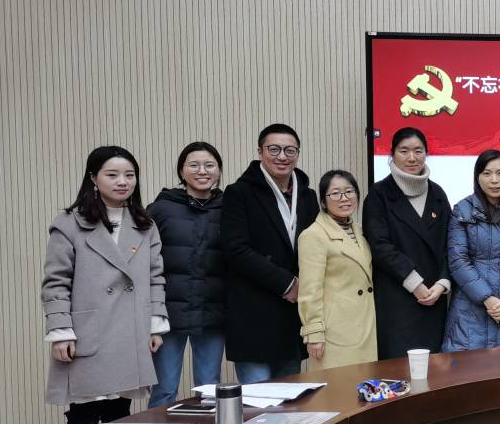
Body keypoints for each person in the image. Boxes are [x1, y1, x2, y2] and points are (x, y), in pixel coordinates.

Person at [42, 146, 168, 423]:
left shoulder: (145, 225)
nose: (123, 182)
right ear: (93, 178)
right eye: (112, 175)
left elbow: (155, 277)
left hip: (130, 331)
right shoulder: (69, 223)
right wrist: (60, 331)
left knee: (119, 412)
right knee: (84, 411)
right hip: (88, 331)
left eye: (130, 175)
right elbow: (56, 282)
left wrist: (155, 324)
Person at [221, 124, 318, 383]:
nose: (282, 156)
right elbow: (236, 250)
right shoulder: (239, 192)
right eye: (274, 149)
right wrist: (287, 283)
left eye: (290, 150)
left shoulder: (308, 196)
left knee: (290, 398)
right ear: (260, 152)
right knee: (258, 399)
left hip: (292, 316)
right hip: (253, 312)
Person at [147, 142, 227, 407]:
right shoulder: (160, 209)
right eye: (194, 165)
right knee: (164, 389)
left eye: (209, 165)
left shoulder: (229, 208)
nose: (202, 171)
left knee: (210, 389)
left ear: (219, 171)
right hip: (168, 313)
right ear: (182, 171)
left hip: (213, 311)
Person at [364, 127, 452, 358]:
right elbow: (379, 246)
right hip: (397, 300)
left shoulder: (438, 194)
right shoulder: (379, 194)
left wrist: (442, 283)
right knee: (398, 370)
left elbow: (450, 244)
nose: (412, 158)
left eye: (418, 151)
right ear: (392, 154)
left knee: (434, 369)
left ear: (426, 154)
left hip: (433, 298)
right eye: (404, 151)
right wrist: (414, 283)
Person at [442, 150, 500, 351]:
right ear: (477, 177)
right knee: (467, 368)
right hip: (469, 311)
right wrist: (487, 299)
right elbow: (458, 261)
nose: (494, 180)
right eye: (487, 173)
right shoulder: (462, 211)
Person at [298, 170, 377, 370]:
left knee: (364, 385)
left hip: (365, 325)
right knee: (338, 387)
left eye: (349, 191)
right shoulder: (313, 235)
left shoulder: (360, 230)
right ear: (323, 201)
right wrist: (314, 333)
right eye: (335, 193)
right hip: (336, 330)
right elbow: (309, 290)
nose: (344, 198)